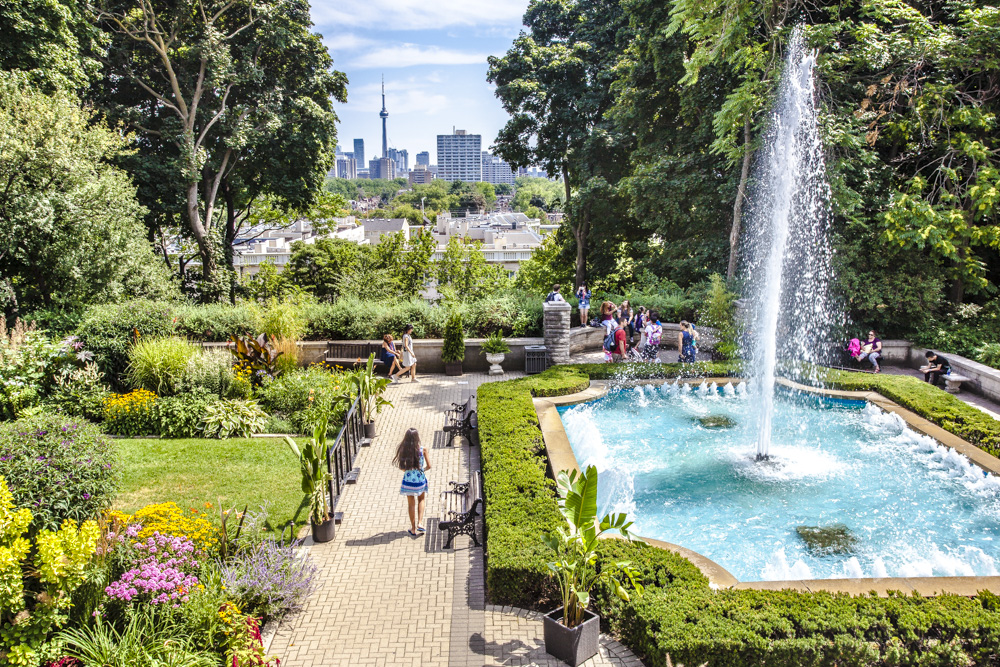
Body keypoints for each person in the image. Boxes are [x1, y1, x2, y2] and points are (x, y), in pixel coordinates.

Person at [393, 428, 431, 537]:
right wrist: (422, 470)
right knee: (421, 499)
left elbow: (402, 467)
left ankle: (413, 528)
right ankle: (420, 522)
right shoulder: (423, 449)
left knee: (411, 504)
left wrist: (408, 471)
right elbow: (429, 466)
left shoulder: (404, 450)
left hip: (408, 480)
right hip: (420, 480)